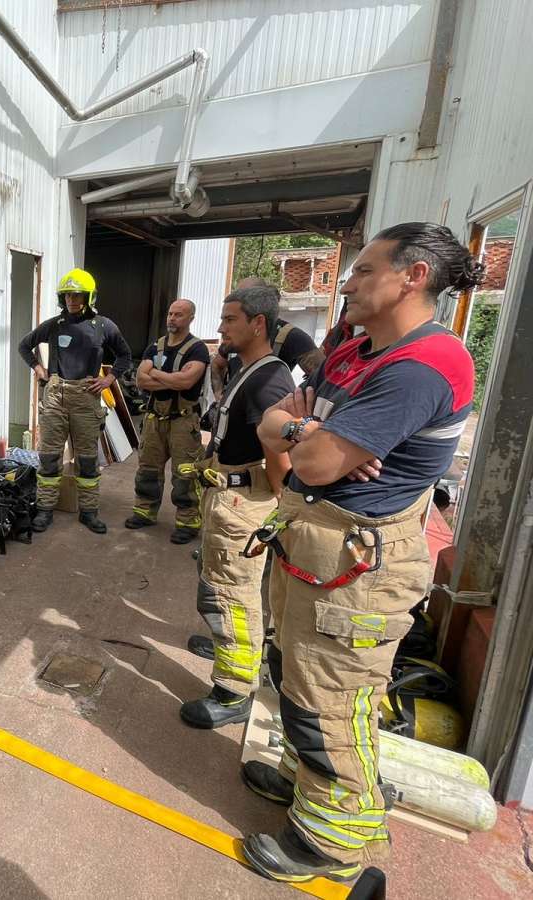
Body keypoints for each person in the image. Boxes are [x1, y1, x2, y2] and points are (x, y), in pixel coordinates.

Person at [240, 223, 483, 884]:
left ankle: (331, 844)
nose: (346, 282)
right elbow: (278, 425)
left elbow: (313, 463)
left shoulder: (425, 365)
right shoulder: (355, 350)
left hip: (356, 568)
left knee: (332, 697)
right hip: (313, 545)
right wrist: (303, 427)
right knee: (296, 675)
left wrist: (307, 436)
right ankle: (303, 784)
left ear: (413, 277)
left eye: (365, 270)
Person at [179, 285, 294, 729]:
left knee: (232, 595)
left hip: (244, 504)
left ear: (258, 323)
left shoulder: (269, 381)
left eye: (229, 320)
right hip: (228, 497)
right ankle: (226, 650)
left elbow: (278, 454)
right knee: (219, 586)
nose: (221, 328)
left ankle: (233, 691)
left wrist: (282, 509)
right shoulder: (250, 370)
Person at [17, 268, 133, 534]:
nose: (72, 300)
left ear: (89, 297)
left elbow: (124, 355)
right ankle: (45, 510)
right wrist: (38, 368)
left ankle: (89, 512)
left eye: (77, 295)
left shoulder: (103, 326)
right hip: (55, 397)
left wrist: (109, 379)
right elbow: (24, 345)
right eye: (67, 295)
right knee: (49, 457)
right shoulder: (54, 325)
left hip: (86, 398)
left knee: (88, 459)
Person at [125, 299, 210, 543]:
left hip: (183, 421)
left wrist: (155, 373)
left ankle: (188, 522)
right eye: (170, 313)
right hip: (154, 419)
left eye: (179, 314)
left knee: (185, 474)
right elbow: (141, 380)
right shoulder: (155, 346)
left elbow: (186, 382)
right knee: (148, 469)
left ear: (191, 318)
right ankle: (144, 512)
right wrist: (172, 379)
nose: (172, 318)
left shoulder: (197, 349)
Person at [210, 277, 325, 404]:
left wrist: (293, 402)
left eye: (245, 296)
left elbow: (323, 378)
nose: (221, 329)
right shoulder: (234, 337)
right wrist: (220, 397)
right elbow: (217, 365)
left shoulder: (291, 336)